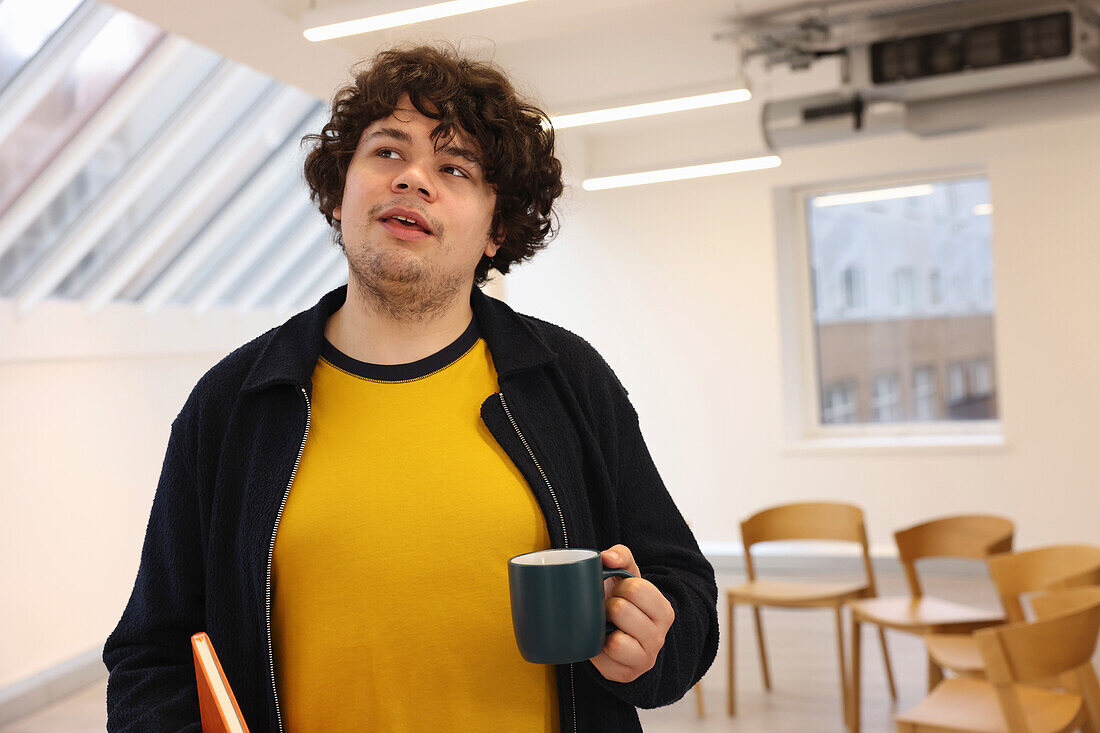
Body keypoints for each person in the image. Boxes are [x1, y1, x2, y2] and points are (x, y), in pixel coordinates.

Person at [103, 43, 718, 732]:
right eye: (388, 152)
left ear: (498, 228)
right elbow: (150, 655)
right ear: (341, 193)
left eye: (454, 168)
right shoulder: (233, 402)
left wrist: (652, 643)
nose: (414, 179)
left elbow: (683, 588)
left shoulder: (567, 379)